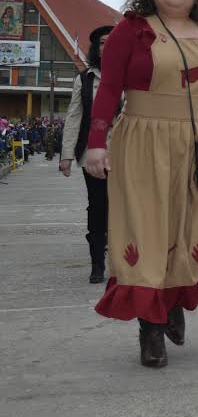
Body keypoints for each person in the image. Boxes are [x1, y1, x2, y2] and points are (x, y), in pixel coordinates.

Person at [84, 0, 198, 368]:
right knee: (148, 228)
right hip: (144, 138)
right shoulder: (131, 30)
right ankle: (151, 326)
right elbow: (109, 88)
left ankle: (173, 300)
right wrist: (96, 143)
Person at [60, 24, 115, 284]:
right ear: (96, 48)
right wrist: (66, 155)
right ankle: (97, 263)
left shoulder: (132, 76)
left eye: (112, 42)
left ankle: (125, 260)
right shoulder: (84, 79)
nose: (107, 47)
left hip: (127, 152)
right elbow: (74, 117)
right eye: (102, 42)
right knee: (98, 206)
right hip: (93, 153)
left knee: (125, 207)